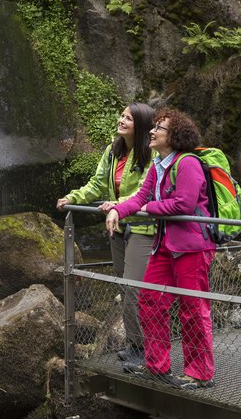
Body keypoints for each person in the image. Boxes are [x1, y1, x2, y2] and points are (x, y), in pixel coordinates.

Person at [101, 108, 216, 390]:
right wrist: (118, 209)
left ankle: (200, 373)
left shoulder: (187, 163)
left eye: (159, 129)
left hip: (192, 247)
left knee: (192, 308)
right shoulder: (158, 164)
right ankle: (157, 366)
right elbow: (140, 196)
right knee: (150, 300)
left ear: (173, 136)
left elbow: (184, 204)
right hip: (165, 245)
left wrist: (148, 208)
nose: (151, 132)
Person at [57, 102, 156, 363]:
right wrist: (73, 197)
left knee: (135, 290)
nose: (121, 121)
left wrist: (119, 205)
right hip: (118, 227)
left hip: (143, 227)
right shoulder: (114, 150)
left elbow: (146, 189)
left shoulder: (151, 153)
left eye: (128, 119)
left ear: (142, 125)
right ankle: (136, 346)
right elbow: (98, 183)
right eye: (122, 116)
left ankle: (148, 349)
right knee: (124, 288)